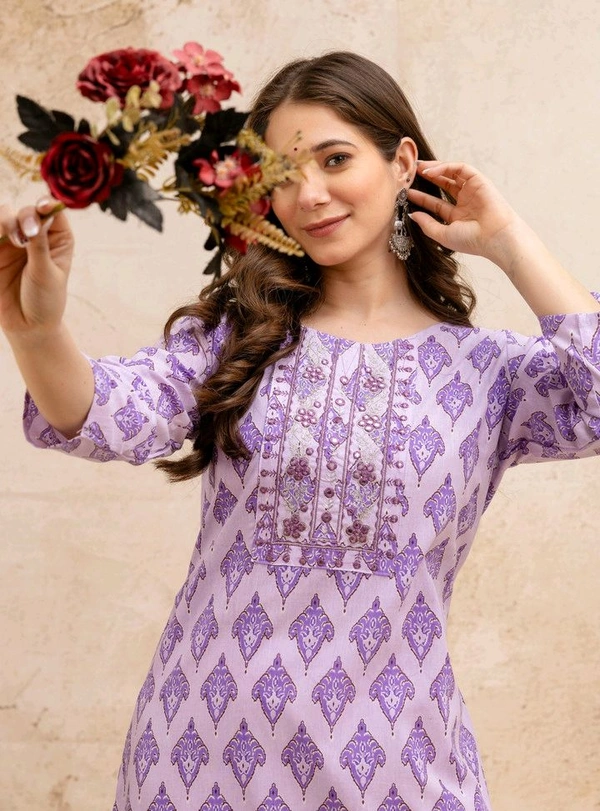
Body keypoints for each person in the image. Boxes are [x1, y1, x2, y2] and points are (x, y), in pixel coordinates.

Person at [1, 51, 599, 811]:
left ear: (402, 162)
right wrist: (36, 332)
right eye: (281, 175)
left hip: (398, 766)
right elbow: (104, 415)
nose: (308, 194)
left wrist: (507, 238)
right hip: (198, 757)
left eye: (335, 159)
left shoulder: (489, 373)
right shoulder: (235, 342)